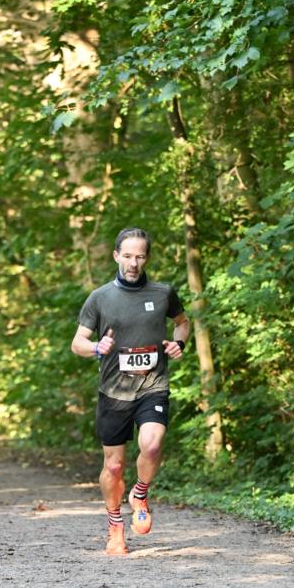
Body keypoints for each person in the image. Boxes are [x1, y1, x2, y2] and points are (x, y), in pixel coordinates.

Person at [71, 227, 190, 555]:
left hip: (152, 386)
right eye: (127, 256)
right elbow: (77, 343)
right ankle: (114, 525)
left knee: (151, 446)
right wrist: (97, 347)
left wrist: (178, 343)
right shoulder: (100, 297)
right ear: (116, 256)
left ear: (147, 258)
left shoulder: (163, 292)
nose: (133, 263)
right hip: (113, 393)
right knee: (113, 466)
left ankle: (140, 493)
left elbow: (183, 322)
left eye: (139, 256)